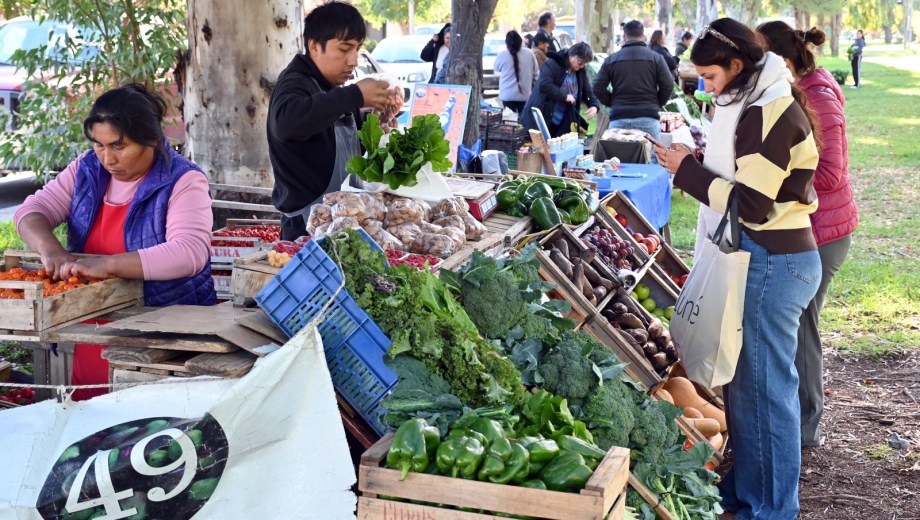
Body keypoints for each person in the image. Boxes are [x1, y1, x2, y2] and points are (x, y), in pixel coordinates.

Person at [654, 18, 822, 519]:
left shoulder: (770, 112)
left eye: (710, 77)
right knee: (746, 389)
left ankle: (771, 508)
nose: (706, 88)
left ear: (736, 65)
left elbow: (751, 204)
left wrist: (687, 172)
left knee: (765, 394)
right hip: (767, 258)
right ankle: (750, 492)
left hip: (774, 262)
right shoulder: (758, 104)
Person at [14, 84, 217, 399]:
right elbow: (31, 211)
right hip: (92, 332)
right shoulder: (87, 169)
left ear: (150, 140)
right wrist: (50, 250)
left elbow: (189, 252)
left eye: (119, 146)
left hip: (159, 343)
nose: (107, 158)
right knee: (91, 419)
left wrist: (108, 265)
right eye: (99, 145)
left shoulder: (183, 180)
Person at [757, 21, 859, 449]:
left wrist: (772, 176)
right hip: (810, 228)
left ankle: (804, 428)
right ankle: (795, 421)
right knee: (796, 328)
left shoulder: (817, 96)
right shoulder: (800, 88)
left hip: (824, 234)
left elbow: (831, 172)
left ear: (782, 60)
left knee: (801, 330)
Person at [267, 1, 394, 241]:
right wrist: (355, 95)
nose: (353, 60)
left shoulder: (336, 90)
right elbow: (286, 124)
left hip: (345, 224)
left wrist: (376, 129)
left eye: (357, 49)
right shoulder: (295, 83)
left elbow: (348, 149)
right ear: (314, 46)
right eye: (345, 49)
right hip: (306, 232)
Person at [592, 20, 674, 144]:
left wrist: (612, 102)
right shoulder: (656, 58)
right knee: (650, 156)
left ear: (624, 37)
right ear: (644, 37)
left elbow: (597, 87)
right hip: (648, 117)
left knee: (618, 156)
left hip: (619, 117)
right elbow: (668, 84)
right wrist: (657, 102)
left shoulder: (611, 59)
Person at [520, 42, 600, 137]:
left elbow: (587, 91)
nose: (581, 66)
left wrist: (594, 105)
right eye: (580, 62)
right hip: (543, 117)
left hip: (564, 122)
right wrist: (565, 96)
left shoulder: (580, 71)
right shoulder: (552, 64)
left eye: (584, 64)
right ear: (571, 55)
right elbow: (544, 85)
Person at [495, 30, 539, 114]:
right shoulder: (529, 54)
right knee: (524, 121)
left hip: (507, 95)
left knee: (509, 121)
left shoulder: (502, 54)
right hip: (525, 95)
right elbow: (536, 74)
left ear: (507, 43)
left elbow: (497, 68)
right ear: (520, 41)